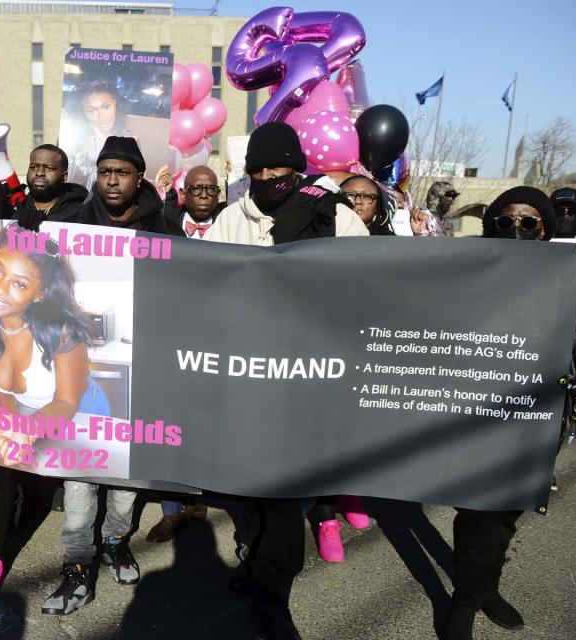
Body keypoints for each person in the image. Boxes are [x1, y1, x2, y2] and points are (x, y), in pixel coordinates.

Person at [203, 121, 368, 640]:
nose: (270, 176)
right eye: (261, 169)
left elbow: (368, 281)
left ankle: (274, 596)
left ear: (298, 170)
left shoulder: (332, 214)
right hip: (246, 382)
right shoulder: (232, 218)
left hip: (306, 385)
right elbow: (204, 284)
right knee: (247, 495)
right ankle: (253, 564)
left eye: (280, 168)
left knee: (284, 499)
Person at [0, 230, 109, 602]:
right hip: (25, 412)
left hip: (76, 412)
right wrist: (9, 423)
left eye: (18, 283)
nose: (0, 288)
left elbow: (67, 402)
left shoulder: (61, 331)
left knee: (4, 473)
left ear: (38, 293)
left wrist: (25, 432)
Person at [442, 185, 557, 640]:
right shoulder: (468, 275)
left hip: (535, 419)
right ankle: (464, 603)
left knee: (507, 515)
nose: (516, 230)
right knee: (477, 516)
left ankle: (486, 587)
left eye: (529, 223)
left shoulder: (564, 279)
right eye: (506, 221)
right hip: (478, 419)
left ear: (545, 230)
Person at [145, 165, 223, 544]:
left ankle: (200, 499)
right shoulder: (164, 224)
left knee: (206, 423)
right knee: (168, 425)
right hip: (171, 337)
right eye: (196, 188)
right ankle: (172, 509)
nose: (204, 194)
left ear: (220, 194)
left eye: (211, 188)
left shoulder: (231, 226)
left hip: (216, 339)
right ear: (185, 193)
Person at [78, 136, 177, 235]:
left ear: (139, 178)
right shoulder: (72, 226)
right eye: (105, 172)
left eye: (122, 173)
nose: (112, 181)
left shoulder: (169, 235)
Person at [65, 81, 130, 188]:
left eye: (106, 107)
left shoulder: (129, 139)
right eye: (91, 111)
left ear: (115, 105)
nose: (101, 116)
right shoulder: (77, 143)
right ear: (84, 114)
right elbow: (69, 182)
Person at [15, 144, 88, 231]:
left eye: (49, 168)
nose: (39, 173)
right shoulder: (17, 212)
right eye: (33, 167)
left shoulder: (82, 215)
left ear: (64, 176)